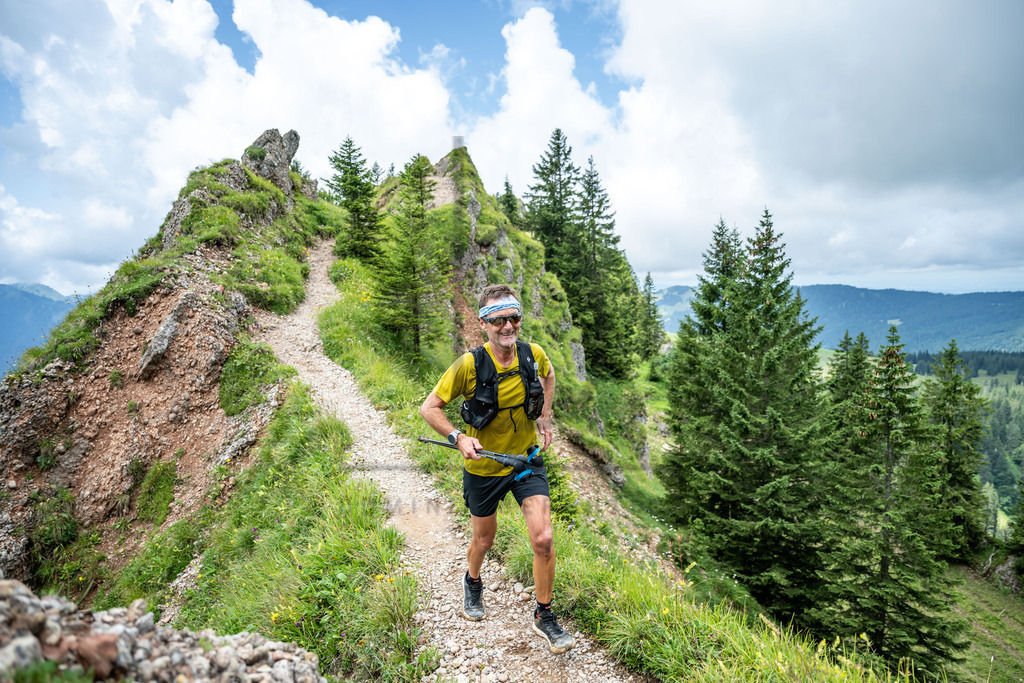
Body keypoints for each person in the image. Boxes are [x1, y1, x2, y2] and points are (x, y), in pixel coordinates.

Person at [420, 284, 574, 654]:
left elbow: (549, 377)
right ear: (484, 324)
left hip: (525, 462)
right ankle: (472, 581)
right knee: (484, 540)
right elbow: (429, 408)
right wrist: (458, 437)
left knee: (544, 539)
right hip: (485, 468)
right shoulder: (468, 365)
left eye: (514, 318)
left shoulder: (532, 354)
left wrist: (546, 418)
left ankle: (544, 615)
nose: (508, 326)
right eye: (499, 319)